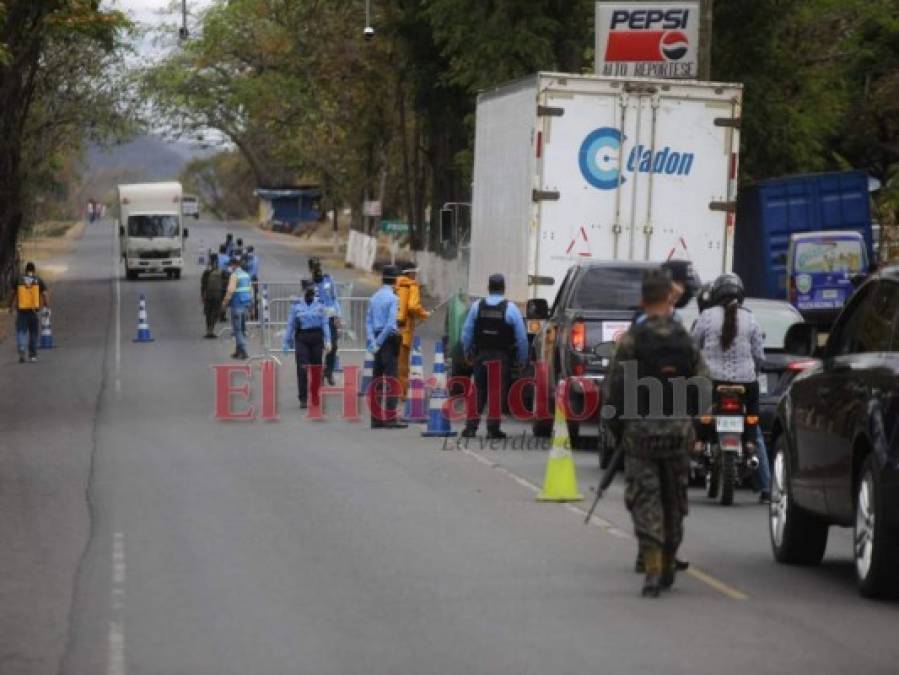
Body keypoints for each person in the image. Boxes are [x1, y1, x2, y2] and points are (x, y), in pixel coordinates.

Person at [606, 268, 707, 597]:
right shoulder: (684, 338)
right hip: (678, 434)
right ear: (669, 298)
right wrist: (690, 421)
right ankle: (668, 559)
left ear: (642, 300)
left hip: (642, 434)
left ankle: (651, 566)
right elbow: (703, 385)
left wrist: (620, 430)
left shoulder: (632, 340)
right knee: (674, 498)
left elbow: (615, 390)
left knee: (646, 499)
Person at [691, 273, 770, 502]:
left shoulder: (706, 316)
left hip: (712, 382)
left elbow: (694, 347)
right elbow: (759, 355)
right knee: (753, 424)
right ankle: (763, 482)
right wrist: (755, 368)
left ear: (716, 295)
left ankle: (698, 442)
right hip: (745, 383)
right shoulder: (751, 319)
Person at [460, 273, 528, 439]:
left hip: (481, 355)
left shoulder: (477, 306)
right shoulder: (511, 309)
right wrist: (522, 360)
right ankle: (493, 429)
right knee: (496, 393)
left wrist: (467, 352)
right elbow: (521, 338)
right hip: (501, 357)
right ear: (503, 288)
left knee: (479, 391)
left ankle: (470, 428)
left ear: (488, 288)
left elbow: (466, 334)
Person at [366, 265, 406, 429]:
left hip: (376, 339)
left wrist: (373, 342)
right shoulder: (393, 298)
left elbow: (367, 322)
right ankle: (390, 418)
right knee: (391, 379)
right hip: (388, 340)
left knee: (377, 379)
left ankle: (376, 418)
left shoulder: (374, 297)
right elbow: (390, 325)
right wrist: (381, 341)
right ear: (395, 280)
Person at [283, 279, 331, 409]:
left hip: (316, 337)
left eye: (312, 288)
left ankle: (315, 395)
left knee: (316, 367)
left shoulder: (321, 304)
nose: (310, 291)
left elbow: (325, 323)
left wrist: (328, 340)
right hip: (302, 337)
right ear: (303, 290)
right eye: (308, 289)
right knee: (302, 368)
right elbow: (291, 324)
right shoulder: (296, 305)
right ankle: (303, 398)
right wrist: (286, 341)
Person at [395, 264, 431, 399]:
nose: (415, 276)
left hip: (389, 330)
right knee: (402, 364)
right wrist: (423, 314)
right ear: (410, 274)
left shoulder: (395, 284)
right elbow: (413, 306)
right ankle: (401, 393)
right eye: (414, 273)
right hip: (404, 331)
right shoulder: (412, 286)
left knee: (390, 362)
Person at [310, 258, 341, 386]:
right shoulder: (309, 284)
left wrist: (338, 316)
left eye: (319, 266)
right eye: (315, 267)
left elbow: (335, 298)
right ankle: (318, 374)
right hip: (316, 321)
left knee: (333, 346)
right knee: (318, 348)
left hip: (330, 318)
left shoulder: (329, 280)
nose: (318, 270)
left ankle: (328, 372)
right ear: (311, 269)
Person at [11, 262, 49, 363]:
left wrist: (11, 306)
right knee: (33, 333)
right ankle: (33, 355)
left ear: (25, 270)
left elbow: (14, 294)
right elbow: (44, 294)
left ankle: (22, 348)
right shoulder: (38, 280)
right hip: (33, 311)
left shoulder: (19, 279)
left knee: (21, 331)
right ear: (34, 270)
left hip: (21, 311)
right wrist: (46, 305)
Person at [221, 255, 254, 359]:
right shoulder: (246, 275)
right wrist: (251, 305)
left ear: (234, 265)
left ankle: (243, 351)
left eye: (230, 265)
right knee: (242, 328)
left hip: (237, 304)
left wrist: (224, 303)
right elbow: (250, 290)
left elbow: (230, 290)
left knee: (237, 330)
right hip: (246, 304)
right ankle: (237, 351)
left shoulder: (234, 275)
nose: (229, 267)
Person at [201, 253, 226, 338]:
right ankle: (211, 329)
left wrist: (202, 295)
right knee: (215, 312)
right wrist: (223, 296)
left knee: (208, 312)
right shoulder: (221, 271)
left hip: (208, 294)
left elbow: (203, 284)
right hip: (218, 295)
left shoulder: (207, 271)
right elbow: (224, 284)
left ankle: (209, 330)